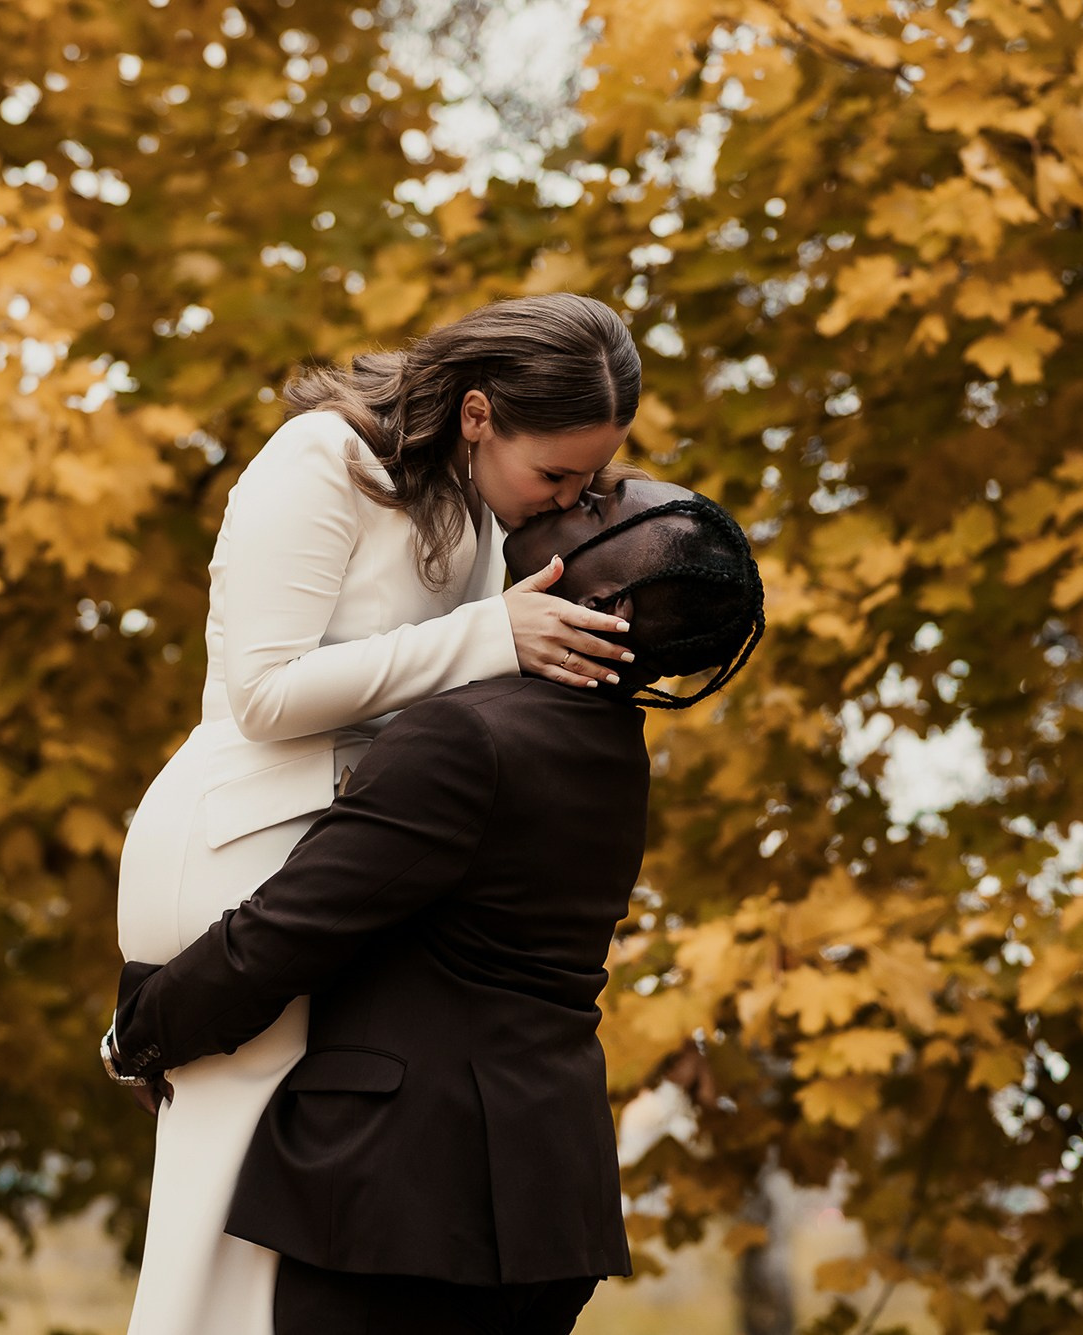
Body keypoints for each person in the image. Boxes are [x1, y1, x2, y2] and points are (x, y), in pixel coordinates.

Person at [106, 478, 765, 1335]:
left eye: (600, 510)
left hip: (407, 1210)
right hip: (545, 1205)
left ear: (606, 601)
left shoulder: (469, 737)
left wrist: (141, 1035)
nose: (579, 496)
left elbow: (285, 933)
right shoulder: (608, 744)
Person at [114, 295, 646, 1335]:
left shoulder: (476, 506)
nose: (566, 501)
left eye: (588, 481)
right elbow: (263, 694)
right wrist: (490, 635)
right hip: (240, 835)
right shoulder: (322, 461)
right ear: (480, 414)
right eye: (556, 476)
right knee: (224, 1214)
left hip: (339, 840)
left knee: (273, 1220)